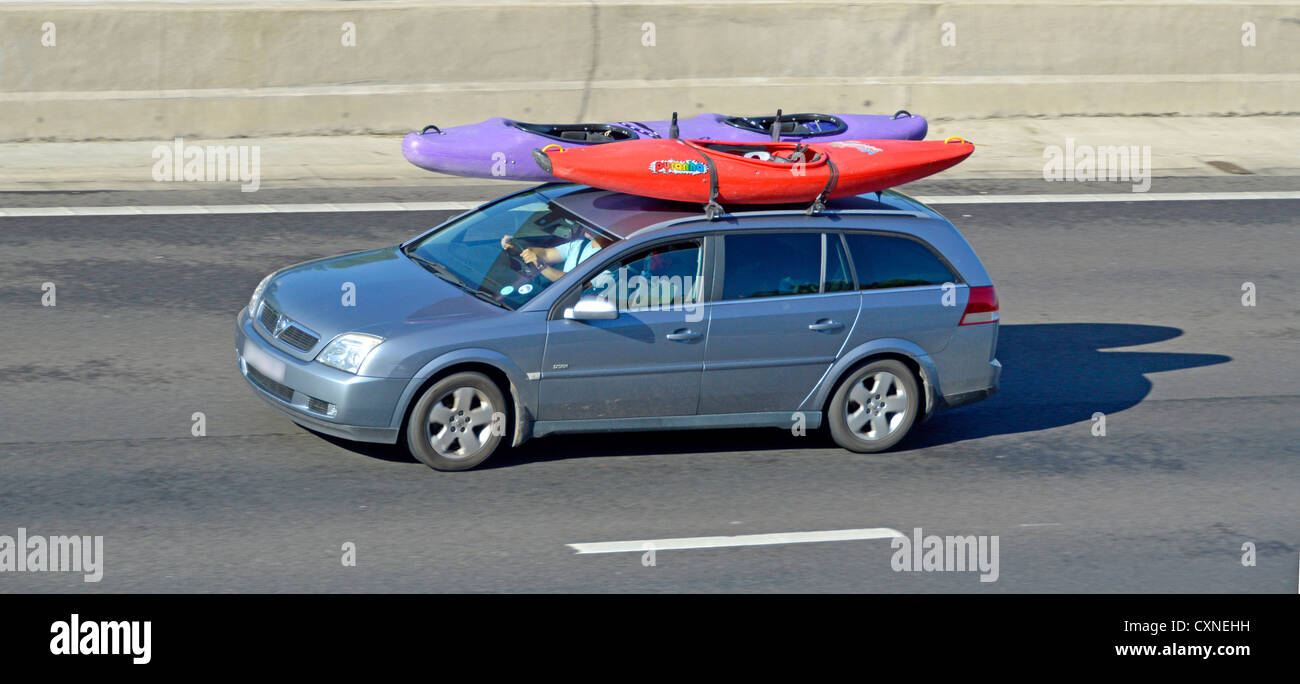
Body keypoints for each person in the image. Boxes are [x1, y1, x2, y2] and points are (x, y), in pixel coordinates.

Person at [500, 226, 610, 282]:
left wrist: (541, 266)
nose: (588, 227)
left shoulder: (611, 258)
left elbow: (576, 283)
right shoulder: (580, 244)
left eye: (596, 226)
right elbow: (546, 254)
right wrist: (517, 248)